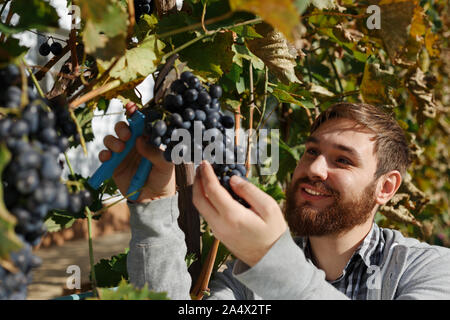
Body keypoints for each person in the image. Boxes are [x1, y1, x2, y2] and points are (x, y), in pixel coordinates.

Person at [99, 102, 450, 300]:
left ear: (385, 187)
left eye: (342, 160)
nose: (314, 168)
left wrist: (270, 259)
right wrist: (153, 204)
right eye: (311, 151)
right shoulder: (244, 283)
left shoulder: (428, 271)